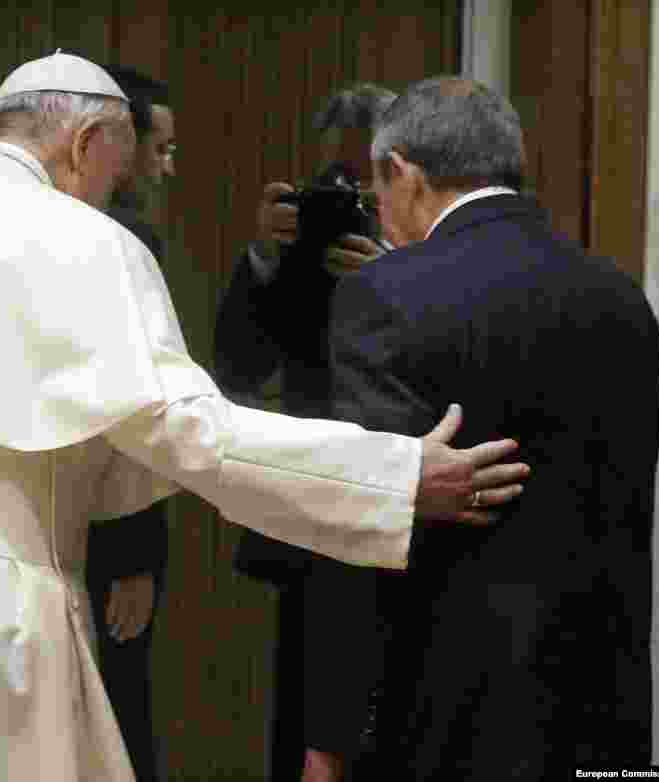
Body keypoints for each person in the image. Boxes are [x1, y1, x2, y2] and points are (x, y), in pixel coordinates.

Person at [0, 54, 526, 781]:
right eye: (121, 173)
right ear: (86, 145)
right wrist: (394, 476)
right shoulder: (84, 241)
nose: (122, 196)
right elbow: (191, 434)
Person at [322, 76, 659, 779]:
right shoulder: (622, 298)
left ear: (401, 172)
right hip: (605, 708)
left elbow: (363, 525)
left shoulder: (383, 295)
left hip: (443, 714)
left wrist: (329, 734)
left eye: (374, 188)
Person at [213, 83, 397, 782]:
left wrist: (398, 279)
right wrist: (264, 258)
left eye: (361, 182)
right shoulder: (297, 260)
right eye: (332, 179)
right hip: (311, 520)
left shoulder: (426, 255)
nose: (343, 196)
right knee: (301, 714)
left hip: (403, 512)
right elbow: (237, 366)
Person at [84, 64, 175, 782]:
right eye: (161, 149)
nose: (170, 168)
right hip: (109, 529)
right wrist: (136, 553)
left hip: (62, 520)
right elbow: (132, 402)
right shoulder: (120, 239)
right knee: (117, 714)